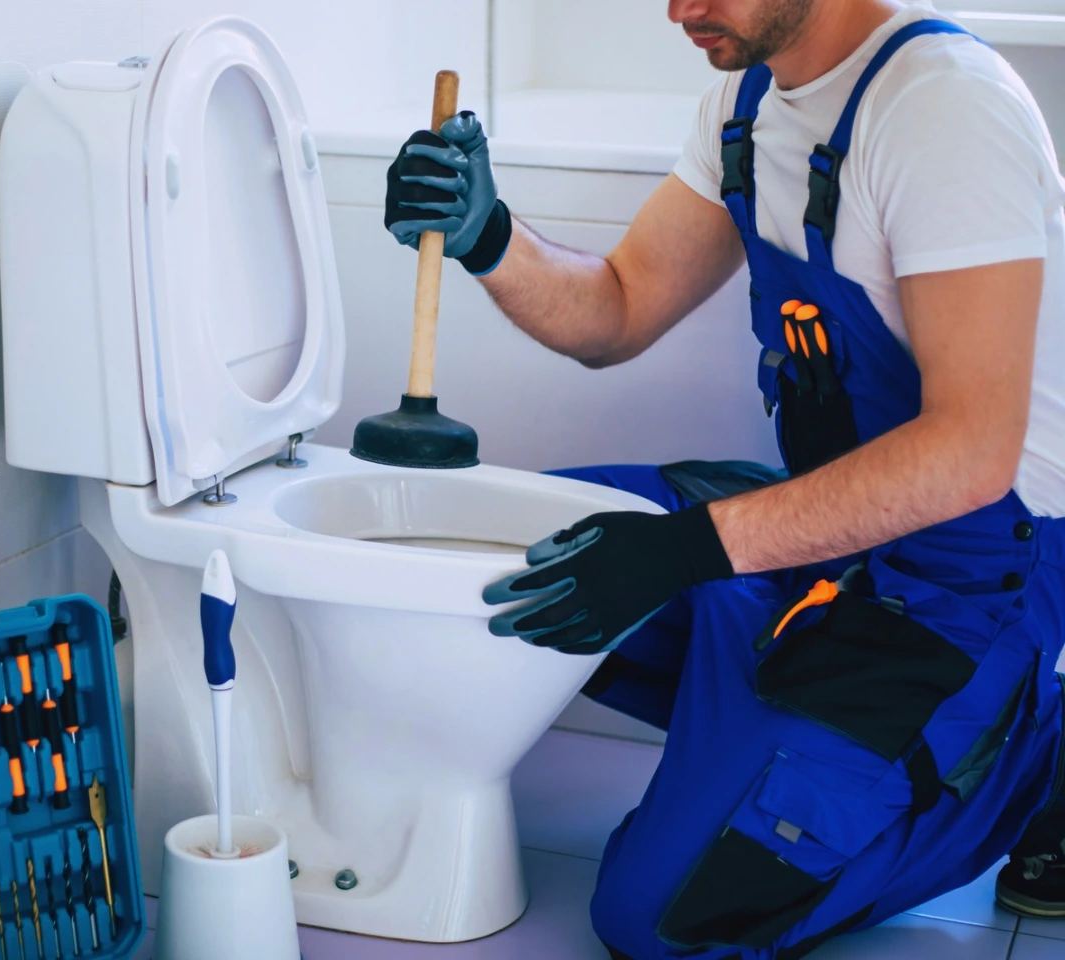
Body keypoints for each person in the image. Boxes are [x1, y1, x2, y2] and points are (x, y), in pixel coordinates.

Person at [383, 1, 1065, 958]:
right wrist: (487, 235)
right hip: (832, 535)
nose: (679, 9)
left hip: (971, 581)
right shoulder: (744, 107)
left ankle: (1028, 755)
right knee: (511, 568)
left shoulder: (941, 110)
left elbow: (971, 451)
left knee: (656, 923)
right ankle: (778, 714)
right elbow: (617, 308)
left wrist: (687, 552)